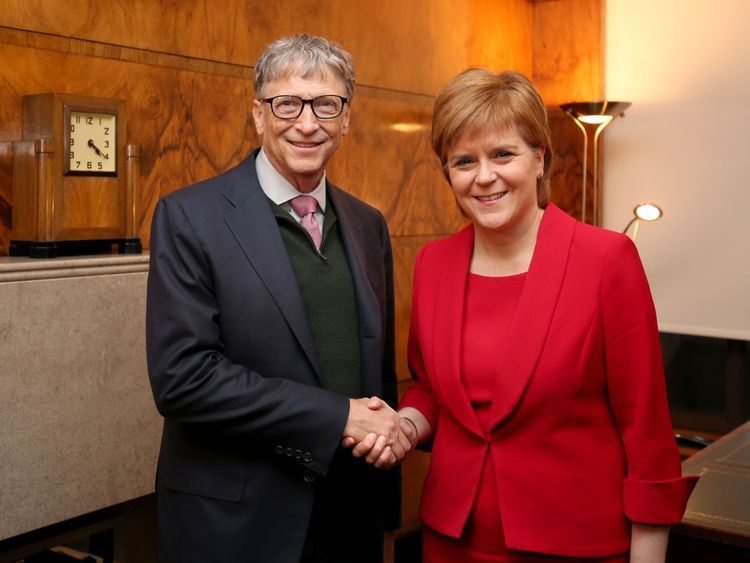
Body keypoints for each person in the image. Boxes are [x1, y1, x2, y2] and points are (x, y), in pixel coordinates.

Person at [356, 68, 699, 562]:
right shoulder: (434, 264)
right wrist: (405, 426)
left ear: (539, 158)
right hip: (451, 541)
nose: (485, 176)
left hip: (575, 545)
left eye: (503, 154)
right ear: (448, 174)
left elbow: (646, 431)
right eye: (464, 161)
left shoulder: (606, 260)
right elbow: (431, 387)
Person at [146, 34, 410, 563]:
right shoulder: (190, 217)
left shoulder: (367, 223)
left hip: (349, 514)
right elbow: (183, 380)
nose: (307, 123)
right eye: (287, 103)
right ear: (259, 114)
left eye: (326, 105)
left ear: (346, 118)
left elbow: (377, 375)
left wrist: (385, 498)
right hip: (238, 523)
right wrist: (337, 417)